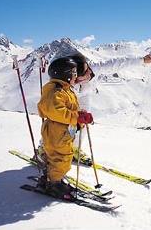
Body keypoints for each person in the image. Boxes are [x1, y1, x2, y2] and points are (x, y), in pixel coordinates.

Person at [37, 56, 93, 198]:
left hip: (62, 132)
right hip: (57, 132)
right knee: (62, 158)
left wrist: (80, 116)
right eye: (74, 73)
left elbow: (67, 109)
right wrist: (76, 117)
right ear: (66, 75)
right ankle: (54, 184)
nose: (76, 76)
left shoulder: (65, 89)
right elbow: (56, 111)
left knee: (55, 156)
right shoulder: (56, 91)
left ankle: (48, 178)